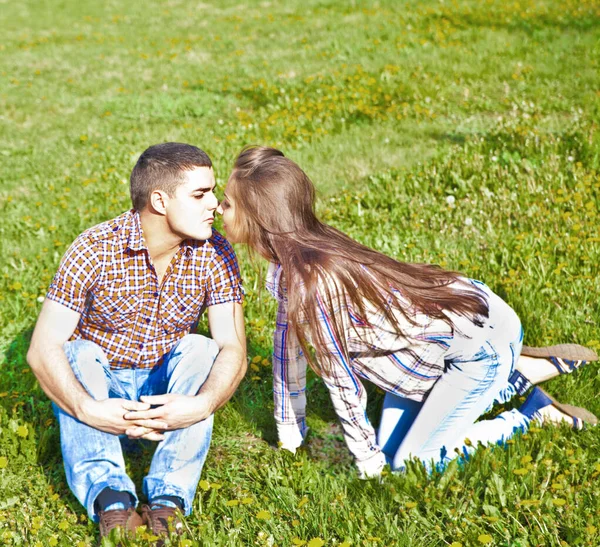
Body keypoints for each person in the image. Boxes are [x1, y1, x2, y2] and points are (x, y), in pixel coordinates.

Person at [216, 145, 598, 479]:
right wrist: (290, 430)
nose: (219, 208)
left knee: (412, 463)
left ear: (258, 217)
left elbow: (341, 381)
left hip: (481, 343)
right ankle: (518, 373)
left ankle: (531, 415)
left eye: (228, 203)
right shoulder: (292, 262)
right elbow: (287, 350)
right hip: (452, 333)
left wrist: (368, 465)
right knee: (390, 447)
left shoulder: (315, 285)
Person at [27, 143, 246, 542]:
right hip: (101, 389)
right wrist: (87, 409)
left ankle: (168, 500)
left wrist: (203, 403)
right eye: (201, 194)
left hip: (166, 391)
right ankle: (112, 500)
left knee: (203, 348)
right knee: (76, 351)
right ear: (159, 201)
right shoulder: (94, 249)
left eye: (212, 192)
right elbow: (42, 348)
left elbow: (233, 347)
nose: (216, 204)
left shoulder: (216, 251)